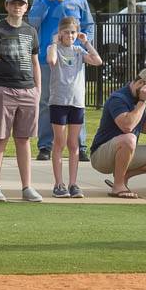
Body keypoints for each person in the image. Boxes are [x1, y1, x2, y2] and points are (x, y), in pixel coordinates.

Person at [29, 0, 94, 160]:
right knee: (47, 100)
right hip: (48, 56)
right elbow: (32, 22)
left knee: (76, 100)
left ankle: (80, 145)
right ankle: (45, 146)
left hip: (73, 58)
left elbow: (89, 25)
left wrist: (84, 44)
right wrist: (48, 0)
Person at [0, 0, 42, 202]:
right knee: (0, 138)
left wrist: (38, 90)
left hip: (27, 89)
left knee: (23, 139)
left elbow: (35, 62)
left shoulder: (31, 31)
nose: (17, 7)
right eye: (14, 3)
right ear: (6, 5)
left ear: (26, 7)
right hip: (3, 89)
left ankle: (27, 187)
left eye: (21, 3)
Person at [89, 67, 146, 200]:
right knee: (129, 139)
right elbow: (127, 127)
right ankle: (118, 186)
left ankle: (124, 175)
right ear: (142, 84)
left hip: (125, 152)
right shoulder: (119, 98)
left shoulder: (139, 99)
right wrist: (143, 101)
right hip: (101, 156)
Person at [46, 16, 102, 198]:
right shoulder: (54, 48)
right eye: (67, 32)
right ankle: (58, 183)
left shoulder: (78, 50)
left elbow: (97, 61)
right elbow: (52, 61)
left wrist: (87, 43)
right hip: (59, 102)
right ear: (60, 33)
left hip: (76, 102)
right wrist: (54, 42)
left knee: (74, 144)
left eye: (73, 32)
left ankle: (73, 183)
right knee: (59, 142)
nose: (70, 35)